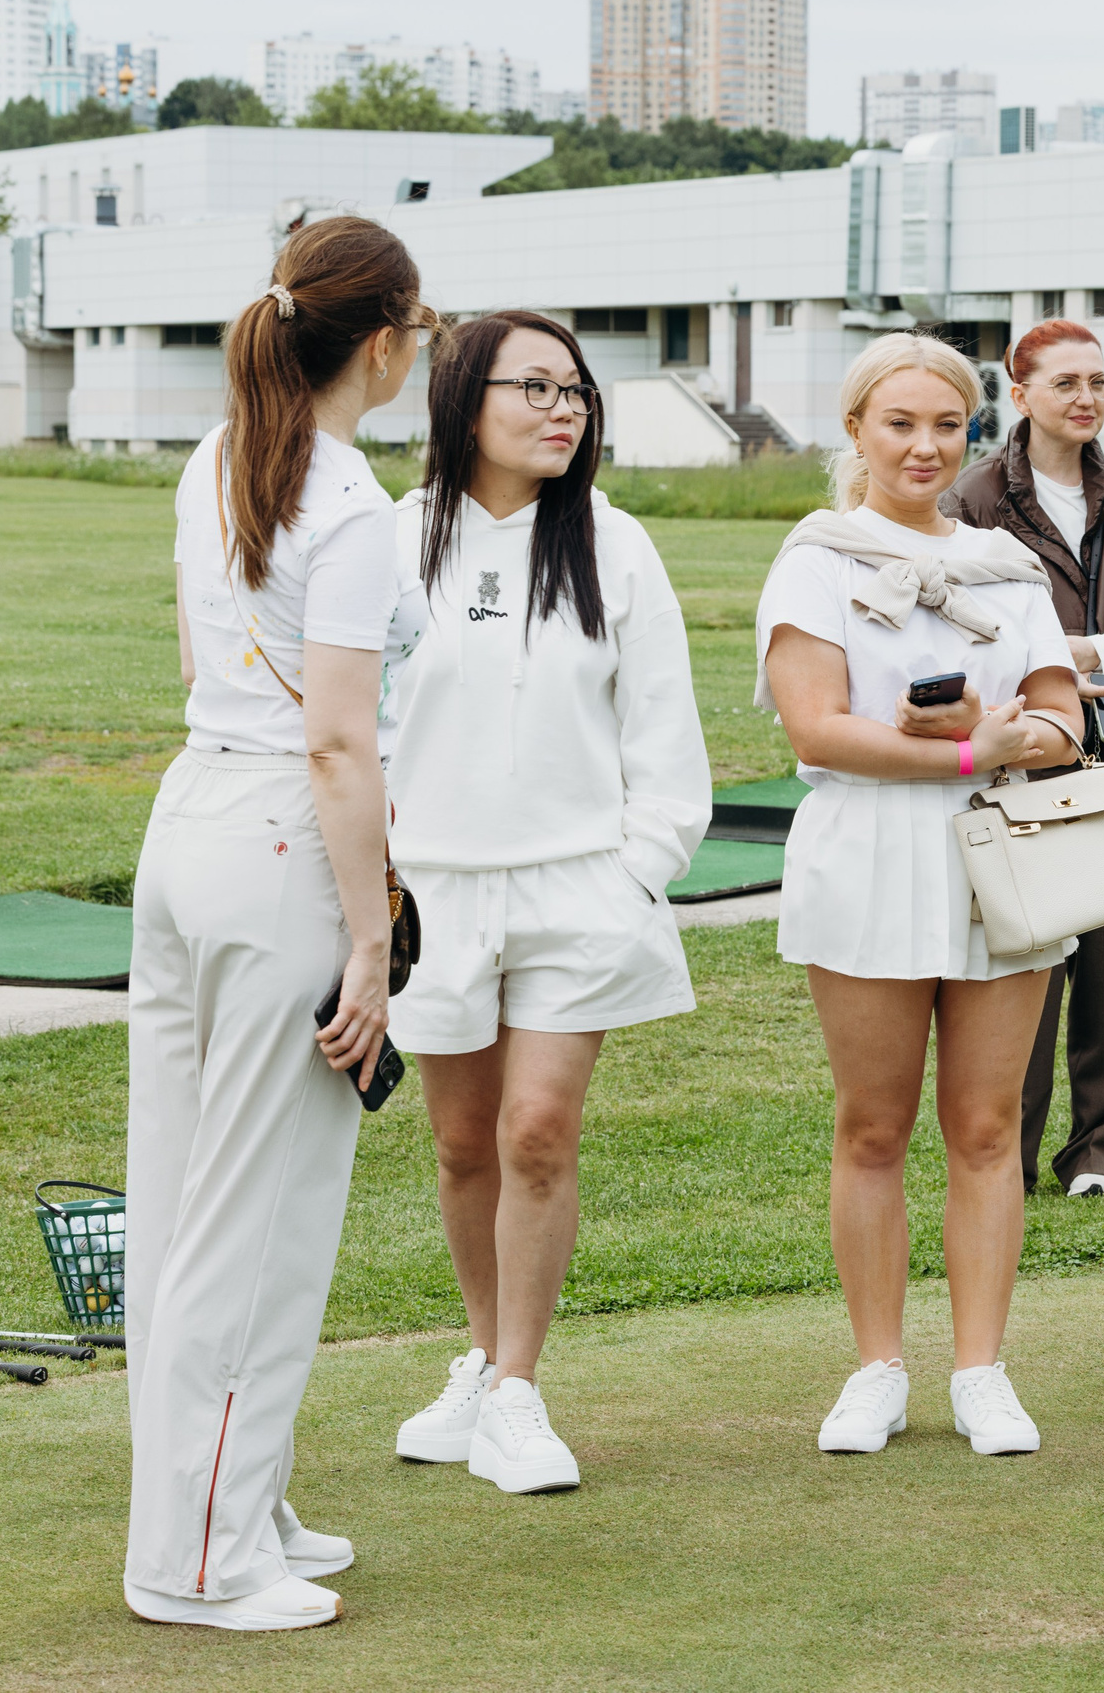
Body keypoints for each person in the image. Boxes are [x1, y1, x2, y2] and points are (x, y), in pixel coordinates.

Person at [124, 215, 427, 1631]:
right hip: (274, 841)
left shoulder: (223, 456)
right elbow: (338, 743)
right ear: (382, 340)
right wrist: (371, 940)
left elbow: (202, 656)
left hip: (191, 820)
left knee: (192, 1200)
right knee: (253, 1224)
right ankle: (199, 1558)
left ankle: (240, 1506)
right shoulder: (352, 502)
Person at [385, 312, 711, 1495]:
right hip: (433, 894)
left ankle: (518, 1384)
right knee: (463, 1140)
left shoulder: (616, 547)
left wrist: (635, 868)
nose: (563, 408)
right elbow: (359, 727)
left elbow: (665, 739)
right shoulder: (392, 542)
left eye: (576, 390)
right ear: (463, 400)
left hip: (580, 888)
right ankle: (478, 1356)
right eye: (534, 387)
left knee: (535, 1128)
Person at [757, 332, 1086, 1458]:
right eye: (900, 423)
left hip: (1000, 852)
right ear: (855, 431)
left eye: (946, 424)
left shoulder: (1007, 563)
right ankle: (876, 1366)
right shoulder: (816, 559)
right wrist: (960, 751)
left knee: (990, 1126)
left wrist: (1005, 738)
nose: (925, 445)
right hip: (867, 853)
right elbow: (816, 724)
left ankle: (981, 1370)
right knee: (872, 1125)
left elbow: (1063, 720)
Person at [941, 318, 1104, 1199]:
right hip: (1020, 754)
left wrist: (1072, 657)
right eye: (1065, 384)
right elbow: (954, 630)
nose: (1085, 399)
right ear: (1020, 396)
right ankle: (1001, 1155)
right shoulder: (972, 500)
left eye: (1099, 383)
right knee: (1023, 963)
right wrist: (1045, 672)